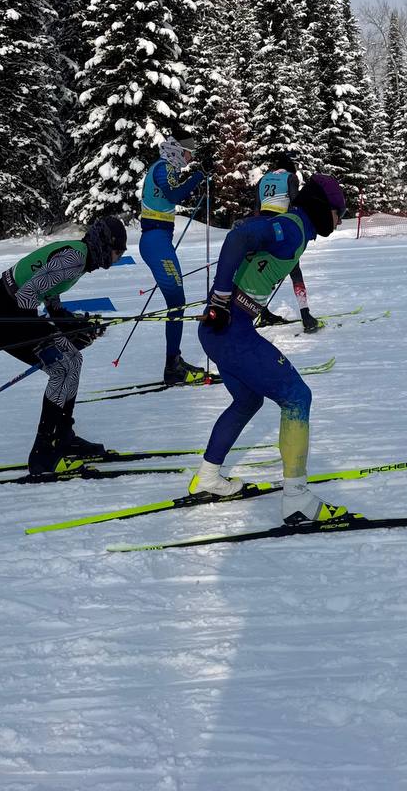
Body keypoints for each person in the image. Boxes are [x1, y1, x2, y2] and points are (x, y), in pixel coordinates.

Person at [194, 174, 347, 524]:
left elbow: (253, 239)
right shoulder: (293, 227)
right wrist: (220, 298)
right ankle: (297, 499)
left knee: (248, 400)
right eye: (338, 213)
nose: (339, 221)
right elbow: (237, 237)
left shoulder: (296, 228)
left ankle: (207, 477)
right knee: (297, 396)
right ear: (322, 208)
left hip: (220, 331)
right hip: (230, 329)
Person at [0, 215, 128, 474]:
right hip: (3, 315)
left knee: (74, 359)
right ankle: (42, 454)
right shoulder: (75, 258)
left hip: (15, 310)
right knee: (61, 367)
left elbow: (48, 285)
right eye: (118, 252)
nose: (117, 258)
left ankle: (64, 436)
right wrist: (48, 331)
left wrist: (62, 319)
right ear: (104, 244)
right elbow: (27, 295)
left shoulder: (80, 257)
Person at [139, 130, 207, 384]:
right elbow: (174, 195)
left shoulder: (168, 168)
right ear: (178, 150)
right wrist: (198, 177)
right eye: (189, 153)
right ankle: (172, 366)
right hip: (155, 240)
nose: (190, 158)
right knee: (177, 302)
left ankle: (174, 361)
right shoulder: (164, 167)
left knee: (177, 302)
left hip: (159, 239)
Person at [254, 151, 321, 333]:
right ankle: (306, 316)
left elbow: (257, 207)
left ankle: (262, 313)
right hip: (280, 227)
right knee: (294, 270)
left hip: (261, 226)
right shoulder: (290, 178)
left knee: (261, 271)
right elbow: (296, 203)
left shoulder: (263, 179)